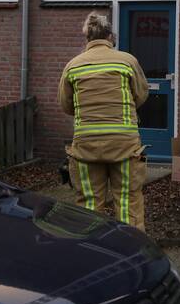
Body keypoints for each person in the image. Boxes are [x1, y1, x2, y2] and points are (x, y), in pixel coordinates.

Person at [58, 12, 150, 230]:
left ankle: (92, 253)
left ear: (87, 38)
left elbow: (66, 105)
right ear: (110, 36)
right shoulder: (127, 61)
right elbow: (141, 94)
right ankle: (132, 251)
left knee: (89, 202)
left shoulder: (73, 65)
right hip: (124, 144)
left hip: (87, 144)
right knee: (128, 200)